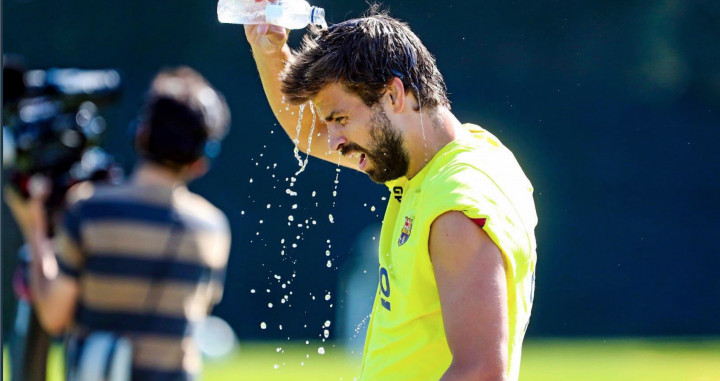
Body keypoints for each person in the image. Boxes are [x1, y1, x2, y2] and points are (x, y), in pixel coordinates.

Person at [244, 7, 538, 381]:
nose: (332, 140)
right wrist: (269, 48)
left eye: (340, 119)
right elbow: (310, 135)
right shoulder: (437, 158)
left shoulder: (457, 208)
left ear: (394, 94)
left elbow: (480, 372)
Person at [5, 66, 232, 381]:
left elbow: (54, 316)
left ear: (141, 133)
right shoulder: (213, 228)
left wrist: (34, 226)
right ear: (201, 160)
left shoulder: (88, 209)